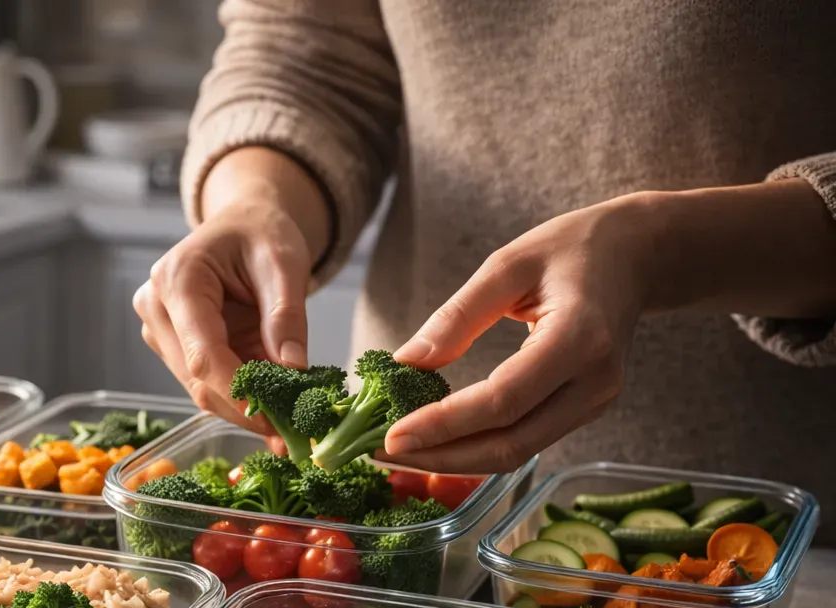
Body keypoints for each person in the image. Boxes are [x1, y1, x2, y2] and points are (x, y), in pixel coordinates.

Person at [136, 0, 836, 537]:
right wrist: (254, 203)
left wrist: (660, 249)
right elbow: (303, 53)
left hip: (767, 527)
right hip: (410, 506)